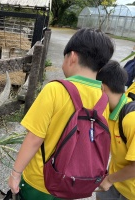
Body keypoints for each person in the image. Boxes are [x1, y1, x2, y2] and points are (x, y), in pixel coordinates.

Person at [8, 28, 114, 199]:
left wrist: (15, 173)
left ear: (72, 56)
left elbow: (35, 138)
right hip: (73, 182)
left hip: (41, 182)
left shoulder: (55, 89)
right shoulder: (103, 98)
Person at [96, 60, 135, 200]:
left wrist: (109, 180)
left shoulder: (131, 119)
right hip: (115, 181)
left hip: (130, 192)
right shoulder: (109, 111)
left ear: (101, 87)